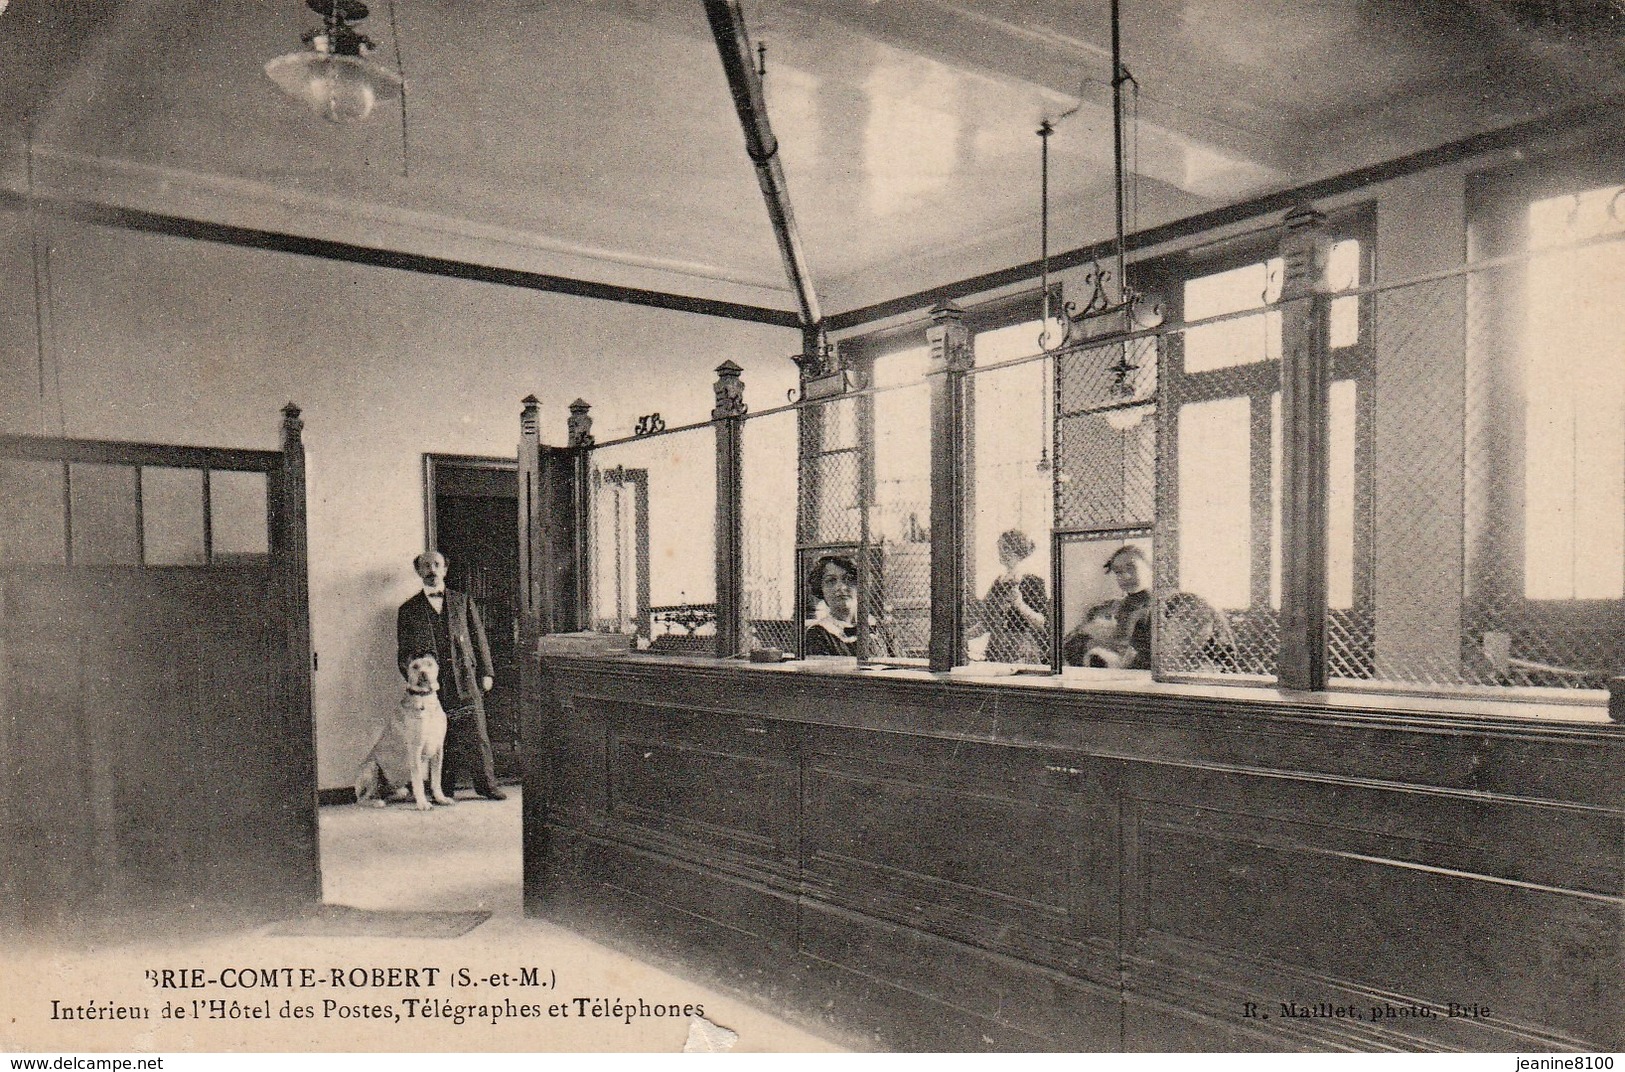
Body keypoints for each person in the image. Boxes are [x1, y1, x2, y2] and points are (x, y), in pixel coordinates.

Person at [396, 551, 504, 801]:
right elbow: (404, 654)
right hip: (433, 688)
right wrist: (416, 681)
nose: (432, 570)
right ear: (418, 571)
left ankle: (487, 785)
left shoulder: (462, 601)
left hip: (466, 679)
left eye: (437, 565)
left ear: (445, 569)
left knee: (477, 733)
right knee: (439, 738)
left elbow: (479, 638)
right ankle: (442, 789)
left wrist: (487, 672)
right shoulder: (408, 610)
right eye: (426, 566)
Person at [1062, 544, 1154, 669]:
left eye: (1131, 568)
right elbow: (1068, 643)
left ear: (1150, 567)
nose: (1125, 576)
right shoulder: (1107, 607)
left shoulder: (1157, 607)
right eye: (1118, 572)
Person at [979, 529, 1049, 663]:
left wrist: (1019, 604)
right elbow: (986, 622)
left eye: (1006, 548)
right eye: (1000, 548)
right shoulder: (998, 582)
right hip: (996, 647)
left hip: (1020, 647)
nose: (1002, 552)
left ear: (1018, 551)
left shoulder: (1031, 580)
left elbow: (1041, 622)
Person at [803, 554, 860, 656]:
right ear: (821, 589)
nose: (841, 587)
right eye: (831, 581)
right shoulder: (817, 634)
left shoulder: (877, 628)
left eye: (849, 579)